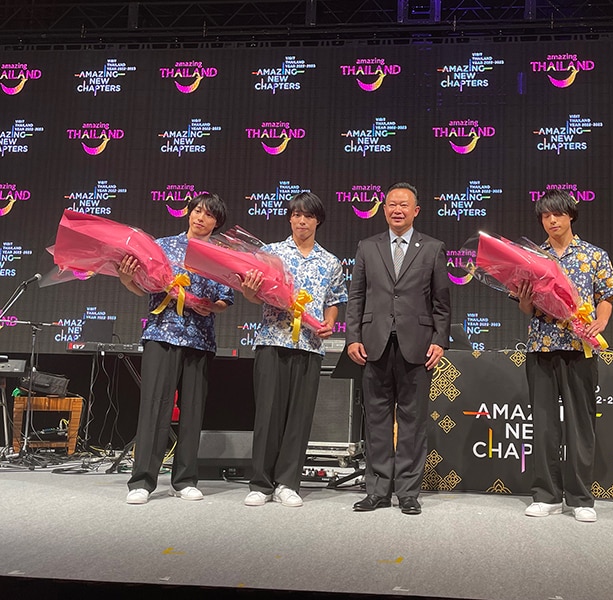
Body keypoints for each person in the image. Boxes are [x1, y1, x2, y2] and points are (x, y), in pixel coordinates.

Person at [118, 193, 233, 504]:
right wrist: (126, 278)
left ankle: (184, 480)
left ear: (216, 223)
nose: (200, 218)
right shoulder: (162, 246)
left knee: (192, 412)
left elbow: (225, 299)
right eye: (197, 211)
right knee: (154, 407)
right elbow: (141, 286)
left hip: (200, 339)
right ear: (188, 213)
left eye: (209, 215)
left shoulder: (221, 255)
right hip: (162, 334)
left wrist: (213, 306)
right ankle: (142, 481)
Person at [516, 189, 613, 522]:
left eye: (558, 214)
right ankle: (546, 495)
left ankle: (580, 498)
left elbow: (607, 295)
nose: (552, 221)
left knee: (581, 424)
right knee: (544, 425)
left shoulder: (594, 255)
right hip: (542, 345)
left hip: (580, 348)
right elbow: (526, 307)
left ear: (571, 216)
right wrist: (525, 299)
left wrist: (600, 322)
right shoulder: (532, 258)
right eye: (546, 216)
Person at [346, 182, 451, 515]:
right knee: (376, 420)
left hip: (417, 346)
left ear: (415, 211)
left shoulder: (432, 248)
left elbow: (442, 303)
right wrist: (352, 337)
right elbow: (356, 296)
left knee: (412, 421)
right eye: (392, 204)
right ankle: (377, 490)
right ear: (383, 209)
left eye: (404, 205)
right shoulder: (367, 247)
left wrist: (439, 340)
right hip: (373, 344)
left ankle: (407, 492)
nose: (397, 210)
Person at [240, 192, 348, 507]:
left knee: (299, 418)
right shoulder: (270, 253)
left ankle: (288, 483)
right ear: (290, 218)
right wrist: (249, 291)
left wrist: (329, 322)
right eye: (297, 215)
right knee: (268, 415)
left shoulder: (330, 262)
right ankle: (260, 484)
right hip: (273, 340)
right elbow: (254, 295)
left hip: (310, 346)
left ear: (318, 221)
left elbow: (334, 301)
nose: (302, 221)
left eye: (308, 216)